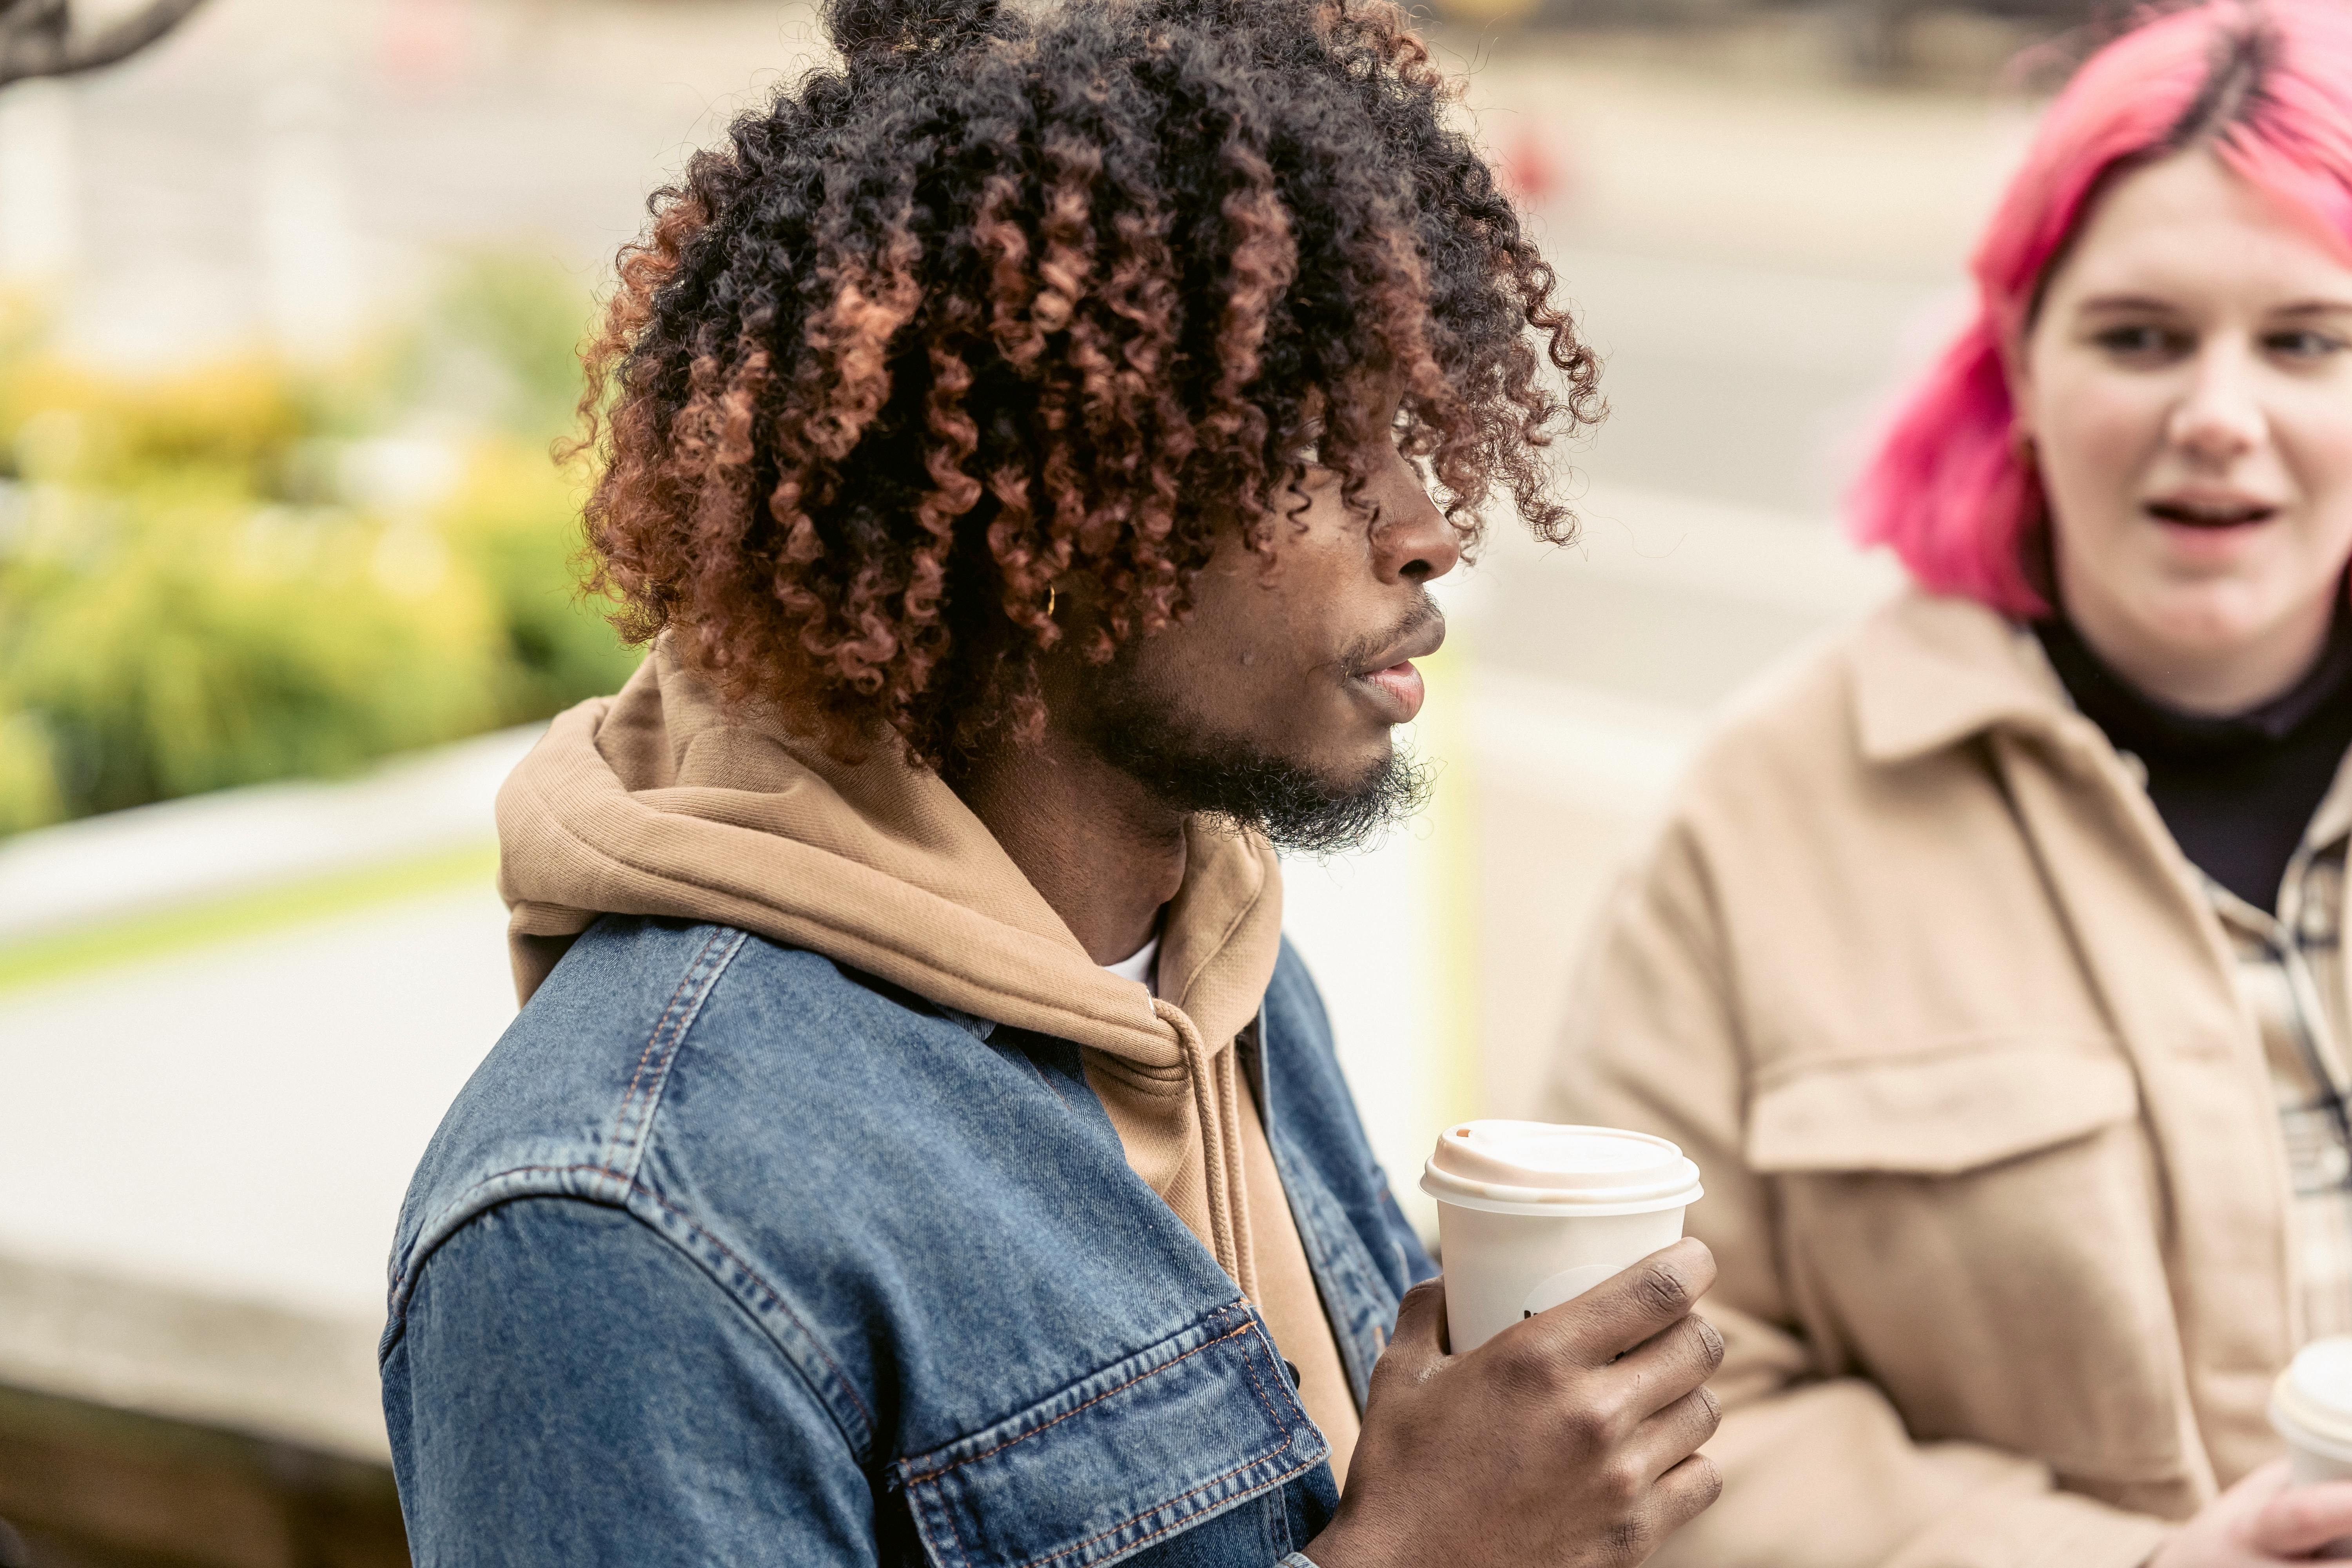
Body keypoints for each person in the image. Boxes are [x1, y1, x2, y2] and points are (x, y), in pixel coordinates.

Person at [381, 0, 1727, 1563]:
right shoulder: (621, 1211)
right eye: (1307, 439)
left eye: (1415, 427)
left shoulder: (1224, 970)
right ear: (1038, 515)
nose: (1428, 525)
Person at [1550, 2, 2352, 1564]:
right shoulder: (1763, 815)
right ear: (2021, 371)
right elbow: (1629, 1406)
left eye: (2309, 339)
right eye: (2139, 335)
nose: (2218, 413)